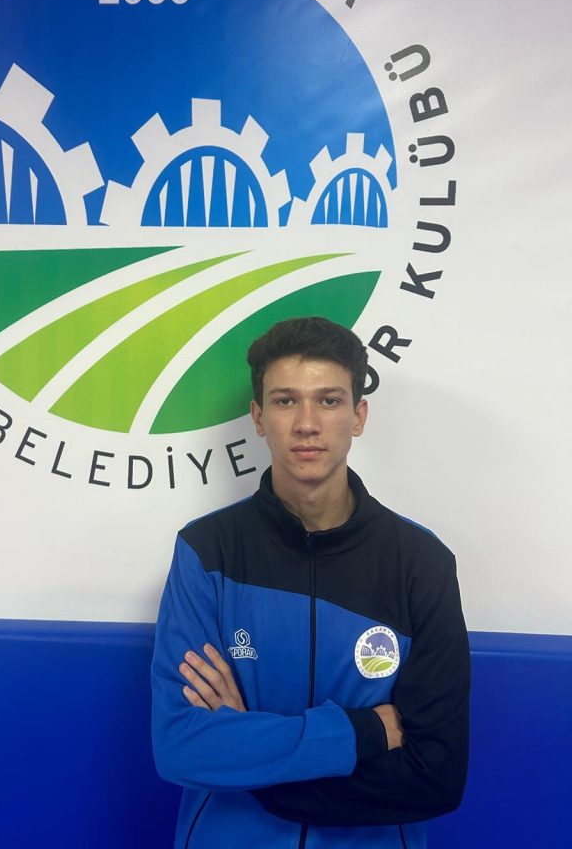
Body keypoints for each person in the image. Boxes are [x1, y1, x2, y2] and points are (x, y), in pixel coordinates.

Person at [151, 317, 469, 848]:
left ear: (358, 415)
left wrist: (248, 754)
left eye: (328, 400)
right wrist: (362, 732)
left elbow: (435, 778)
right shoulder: (206, 551)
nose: (306, 424)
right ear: (258, 417)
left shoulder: (421, 562)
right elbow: (180, 746)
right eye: (284, 401)